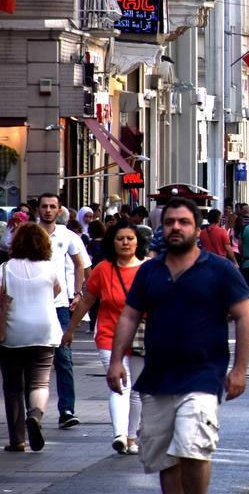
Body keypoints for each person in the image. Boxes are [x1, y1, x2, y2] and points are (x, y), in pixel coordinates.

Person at [107, 197, 249, 493]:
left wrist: (239, 370)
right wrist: (115, 361)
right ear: (162, 227)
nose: (176, 227)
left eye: (184, 222)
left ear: (197, 229)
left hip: (202, 375)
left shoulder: (220, 269)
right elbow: (129, 316)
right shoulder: (150, 271)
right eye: (170, 222)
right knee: (164, 458)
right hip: (158, 376)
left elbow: (244, 317)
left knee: (193, 447)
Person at [62, 219, 148, 454]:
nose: (125, 242)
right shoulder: (103, 269)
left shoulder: (147, 270)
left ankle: (131, 438)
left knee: (138, 390)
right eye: (120, 238)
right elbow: (88, 300)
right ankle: (119, 435)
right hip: (109, 335)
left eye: (130, 238)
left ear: (137, 241)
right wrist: (70, 329)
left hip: (141, 337)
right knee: (121, 384)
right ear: (113, 242)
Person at [0, 223, 63, 452]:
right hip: (43, 330)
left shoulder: (5, 269)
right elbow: (56, 291)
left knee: (13, 387)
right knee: (39, 382)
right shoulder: (49, 268)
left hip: (12, 333)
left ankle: (17, 440)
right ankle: (35, 415)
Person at [38, 193, 86, 429]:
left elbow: (80, 263)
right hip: (33, 305)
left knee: (64, 359)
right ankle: (33, 410)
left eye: (52, 207)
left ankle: (66, 409)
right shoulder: (29, 233)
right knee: (31, 359)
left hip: (59, 308)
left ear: (59, 211)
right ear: (38, 209)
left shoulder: (67, 236)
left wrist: (77, 293)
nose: (48, 210)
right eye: (44, 206)